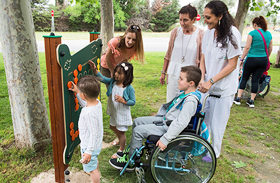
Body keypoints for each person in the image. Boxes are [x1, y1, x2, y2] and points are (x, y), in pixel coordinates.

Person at [109, 66, 202, 170]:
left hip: (169, 128)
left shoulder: (191, 101)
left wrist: (166, 139)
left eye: (181, 78)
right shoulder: (184, 94)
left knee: (138, 131)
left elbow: (181, 123)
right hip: (165, 120)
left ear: (191, 83)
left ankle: (131, 162)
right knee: (137, 122)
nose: (178, 80)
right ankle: (133, 150)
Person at [199, 1, 242, 159]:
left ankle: (213, 155)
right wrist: (202, 77)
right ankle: (202, 148)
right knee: (205, 120)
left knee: (217, 125)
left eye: (208, 17)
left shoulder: (232, 34)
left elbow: (232, 64)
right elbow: (203, 57)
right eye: (204, 17)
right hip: (207, 86)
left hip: (223, 89)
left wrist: (212, 81)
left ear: (220, 16)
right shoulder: (208, 33)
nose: (205, 21)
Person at [90, 60, 135, 159]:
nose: (116, 74)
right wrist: (95, 70)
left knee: (121, 131)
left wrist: (123, 100)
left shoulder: (128, 88)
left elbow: (133, 101)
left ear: (127, 76)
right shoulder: (113, 82)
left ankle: (121, 149)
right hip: (114, 111)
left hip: (122, 113)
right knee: (112, 126)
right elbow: (102, 78)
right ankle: (119, 138)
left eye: (119, 73)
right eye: (116, 72)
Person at [160, 4, 204, 102]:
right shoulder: (175, 32)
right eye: (180, 20)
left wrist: (201, 78)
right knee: (171, 102)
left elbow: (202, 59)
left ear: (194, 20)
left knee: (186, 102)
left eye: (185, 20)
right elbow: (168, 53)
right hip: (174, 72)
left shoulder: (201, 34)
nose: (182, 23)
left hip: (190, 76)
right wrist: (163, 72)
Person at [68, 75, 103, 183]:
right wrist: (78, 92)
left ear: (84, 95)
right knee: (93, 163)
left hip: (89, 145)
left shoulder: (89, 113)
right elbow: (85, 103)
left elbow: (93, 133)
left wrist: (88, 152)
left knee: (92, 170)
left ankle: (96, 179)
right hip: (95, 145)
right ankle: (97, 172)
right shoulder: (96, 103)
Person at [234, 16, 273, 108]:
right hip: (263, 59)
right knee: (256, 79)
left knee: (244, 77)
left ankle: (238, 98)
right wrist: (265, 57)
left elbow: (247, 48)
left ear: (255, 24)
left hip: (252, 59)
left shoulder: (252, 33)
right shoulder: (269, 34)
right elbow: (270, 49)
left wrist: (242, 59)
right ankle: (251, 101)